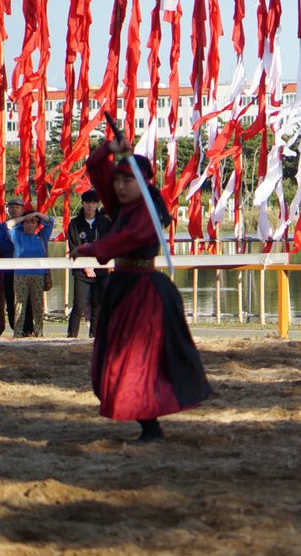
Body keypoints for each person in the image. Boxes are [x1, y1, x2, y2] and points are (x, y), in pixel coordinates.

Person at [70, 139, 211, 443]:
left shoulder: (148, 212)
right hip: (122, 286)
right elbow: (95, 166)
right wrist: (110, 146)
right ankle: (149, 425)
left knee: (136, 361)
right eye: (118, 179)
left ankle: (151, 426)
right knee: (113, 358)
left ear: (143, 182)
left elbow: (123, 241)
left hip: (144, 293)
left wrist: (88, 248)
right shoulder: (121, 203)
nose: (119, 186)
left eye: (127, 180)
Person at [66, 190, 113, 338]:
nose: (91, 206)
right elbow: (74, 246)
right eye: (88, 202)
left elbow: (108, 245)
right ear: (83, 203)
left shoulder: (105, 223)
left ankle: (95, 337)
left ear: (97, 204)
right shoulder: (74, 224)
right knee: (79, 305)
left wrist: (97, 264)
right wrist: (85, 266)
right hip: (81, 271)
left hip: (100, 269)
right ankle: (71, 337)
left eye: (94, 202)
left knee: (97, 305)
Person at [7, 209, 54, 338]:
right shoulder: (17, 235)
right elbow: (8, 225)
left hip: (38, 275)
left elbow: (50, 222)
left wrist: (37, 214)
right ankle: (17, 334)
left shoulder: (42, 236)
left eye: (33, 222)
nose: (29, 225)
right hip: (20, 275)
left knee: (37, 305)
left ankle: (39, 332)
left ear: (37, 224)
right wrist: (24, 217)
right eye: (27, 222)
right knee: (19, 305)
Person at [0, 196, 24, 332]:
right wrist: (16, 245)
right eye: (11, 207)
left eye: (17, 207)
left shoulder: (27, 224)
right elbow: (0, 245)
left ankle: (27, 328)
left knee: (25, 300)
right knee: (11, 299)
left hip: (25, 269)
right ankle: (14, 327)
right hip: (9, 270)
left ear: (22, 209)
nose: (14, 209)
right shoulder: (3, 226)